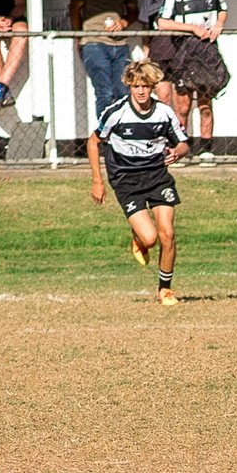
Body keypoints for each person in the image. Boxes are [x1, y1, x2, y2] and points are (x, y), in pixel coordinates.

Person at [87, 58, 191, 307]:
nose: (141, 91)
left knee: (168, 233)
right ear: (129, 87)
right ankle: (139, 237)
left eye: (145, 86)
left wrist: (178, 151)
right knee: (151, 238)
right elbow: (93, 142)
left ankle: (165, 289)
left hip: (157, 176)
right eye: (136, 87)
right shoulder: (117, 113)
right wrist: (97, 181)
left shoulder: (164, 112)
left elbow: (184, 143)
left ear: (153, 86)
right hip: (126, 180)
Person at [148, 0, 230, 161]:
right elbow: (163, 23)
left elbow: (222, 9)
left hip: (206, 52)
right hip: (183, 53)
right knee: (182, 105)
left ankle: (206, 148)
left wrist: (219, 24)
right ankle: (179, 148)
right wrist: (191, 28)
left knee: (205, 103)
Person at [68, 0, 142, 123]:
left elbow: (133, 10)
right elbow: (75, 8)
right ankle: (106, 136)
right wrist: (79, 38)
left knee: (124, 91)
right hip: (94, 41)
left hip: (120, 43)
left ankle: (123, 135)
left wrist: (124, 22)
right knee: (105, 92)